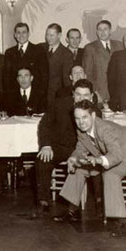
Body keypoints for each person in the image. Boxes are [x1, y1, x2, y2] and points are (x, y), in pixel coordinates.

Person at [54, 100, 126, 237]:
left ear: (93, 116)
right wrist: (73, 158)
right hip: (108, 156)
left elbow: (116, 156)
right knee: (79, 167)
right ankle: (72, 211)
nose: (81, 122)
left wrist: (99, 160)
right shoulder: (82, 130)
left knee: (110, 174)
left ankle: (124, 222)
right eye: (77, 118)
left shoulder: (104, 129)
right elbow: (80, 148)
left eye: (84, 117)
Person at [30, 79, 99, 219]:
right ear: (73, 94)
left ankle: (73, 207)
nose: (81, 98)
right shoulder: (59, 104)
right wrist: (46, 145)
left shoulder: (95, 111)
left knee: (81, 164)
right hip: (59, 147)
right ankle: (43, 202)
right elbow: (44, 125)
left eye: (86, 95)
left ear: (92, 96)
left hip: (81, 149)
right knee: (42, 159)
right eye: (78, 94)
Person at [3, 22, 49, 97]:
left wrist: (41, 95)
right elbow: (6, 78)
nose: (21, 35)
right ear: (15, 35)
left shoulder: (39, 51)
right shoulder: (9, 52)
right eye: (18, 32)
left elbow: (44, 77)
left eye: (24, 32)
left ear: (28, 34)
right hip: (15, 96)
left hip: (35, 95)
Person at [83, 20, 123, 103]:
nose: (102, 32)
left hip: (118, 92)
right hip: (100, 93)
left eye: (105, 29)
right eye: (100, 30)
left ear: (110, 31)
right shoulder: (90, 48)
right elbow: (87, 74)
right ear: (97, 32)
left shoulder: (119, 45)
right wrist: (95, 93)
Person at [41, 23, 74, 110]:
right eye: (47, 34)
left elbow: (66, 80)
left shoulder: (66, 54)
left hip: (55, 96)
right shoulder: (40, 48)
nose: (48, 38)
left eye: (52, 35)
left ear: (59, 35)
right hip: (40, 95)